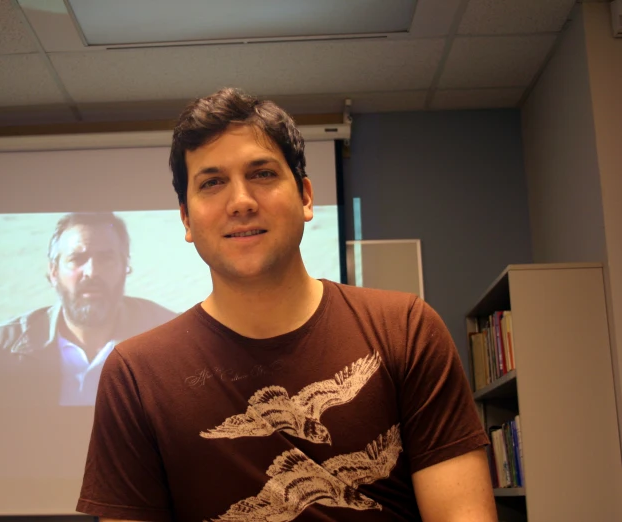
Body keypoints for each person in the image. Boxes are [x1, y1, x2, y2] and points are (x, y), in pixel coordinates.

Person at [76, 89, 497, 521]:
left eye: (261, 174)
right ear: (186, 218)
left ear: (306, 197)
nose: (240, 202)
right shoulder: (136, 375)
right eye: (212, 182)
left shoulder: (404, 330)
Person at [0, 211, 177, 407]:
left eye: (106, 258)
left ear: (126, 267)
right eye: (77, 259)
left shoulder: (173, 341)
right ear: (53, 272)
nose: (92, 272)